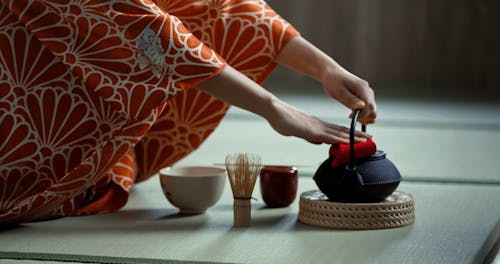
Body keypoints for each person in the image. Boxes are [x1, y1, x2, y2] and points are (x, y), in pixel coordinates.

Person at [0, 0, 376, 223]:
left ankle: (103, 161)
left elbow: (222, 8)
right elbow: (146, 30)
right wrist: (273, 107)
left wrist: (326, 69)